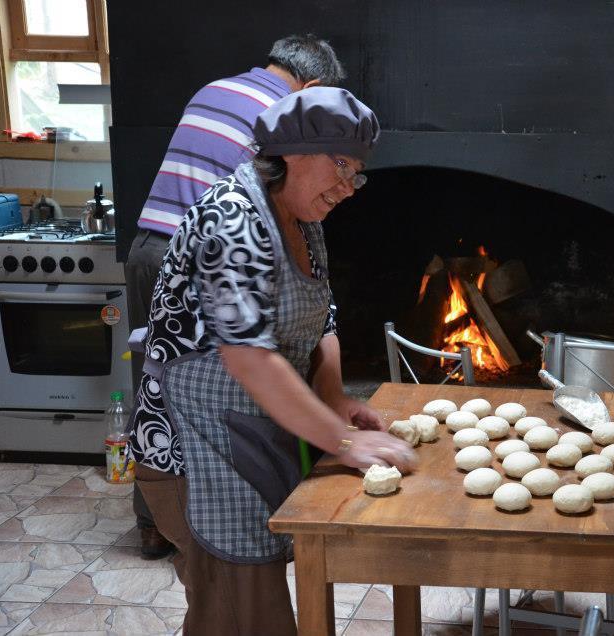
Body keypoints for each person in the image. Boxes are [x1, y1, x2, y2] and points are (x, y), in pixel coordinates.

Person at [129, 87, 415, 635]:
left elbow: (320, 315)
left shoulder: (302, 221)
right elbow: (249, 358)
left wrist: (332, 399)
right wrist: (347, 442)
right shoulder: (232, 219)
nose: (349, 187)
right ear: (293, 152)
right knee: (241, 619)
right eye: (341, 165)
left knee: (242, 616)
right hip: (197, 455)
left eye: (357, 172)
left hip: (251, 442)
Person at [124, 34, 346, 559]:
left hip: (149, 246)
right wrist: (341, 436)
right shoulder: (286, 121)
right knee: (201, 399)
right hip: (208, 254)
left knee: (155, 383)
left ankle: (158, 525)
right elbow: (251, 223)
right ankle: (205, 522)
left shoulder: (213, 90)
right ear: (311, 89)